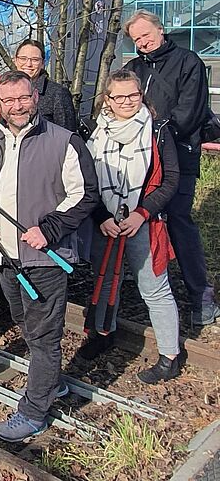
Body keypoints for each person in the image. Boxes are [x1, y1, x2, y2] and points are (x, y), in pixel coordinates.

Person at [0, 70, 98, 442]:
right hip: (4, 257)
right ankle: (49, 381)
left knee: (44, 334)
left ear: (35, 97)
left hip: (45, 258)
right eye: (8, 101)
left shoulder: (64, 141)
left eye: (22, 98)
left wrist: (49, 229)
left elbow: (85, 194)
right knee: (25, 321)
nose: (16, 106)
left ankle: (35, 409)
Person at [79, 69, 183, 383]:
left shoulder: (158, 130)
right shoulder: (94, 130)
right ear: (107, 99)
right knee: (106, 279)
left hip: (144, 221)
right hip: (107, 221)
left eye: (132, 95)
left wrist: (142, 213)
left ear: (141, 96)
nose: (126, 101)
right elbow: (86, 180)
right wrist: (102, 217)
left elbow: (170, 181)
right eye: (118, 96)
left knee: (154, 287)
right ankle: (103, 332)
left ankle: (169, 355)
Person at [124, 9, 217, 326]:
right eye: (136, 39)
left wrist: (157, 135)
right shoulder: (134, 68)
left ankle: (201, 294)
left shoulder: (188, 62)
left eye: (145, 35)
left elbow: (190, 111)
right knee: (142, 217)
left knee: (178, 219)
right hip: (141, 158)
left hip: (178, 152)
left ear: (160, 30)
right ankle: (148, 284)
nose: (142, 42)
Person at [13, 40, 77, 132]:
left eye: (35, 60)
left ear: (42, 63)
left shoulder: (58, 93)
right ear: (15, 60)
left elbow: (67, 134)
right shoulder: (7, 92)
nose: (28, 64)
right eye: (23, 58)